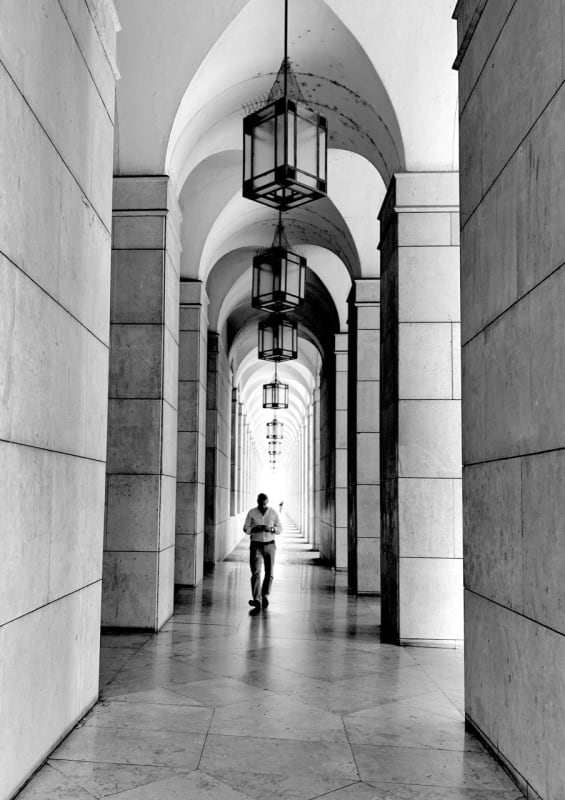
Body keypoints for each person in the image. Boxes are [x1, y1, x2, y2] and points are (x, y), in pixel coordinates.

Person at [243, 493, 282, 610]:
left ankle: (265, 595)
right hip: (256, 545)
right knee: (255, 572)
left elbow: (280, 529)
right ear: (257, 502)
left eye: (265, 504)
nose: (263, 506)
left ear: (267, 502)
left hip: (270, 545)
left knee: (269, 572)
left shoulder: (273, 512)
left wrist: (271, 529)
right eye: (261, 503)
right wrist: (255, 528)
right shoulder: (252, 512)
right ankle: (257, 599)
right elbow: (245, 528)